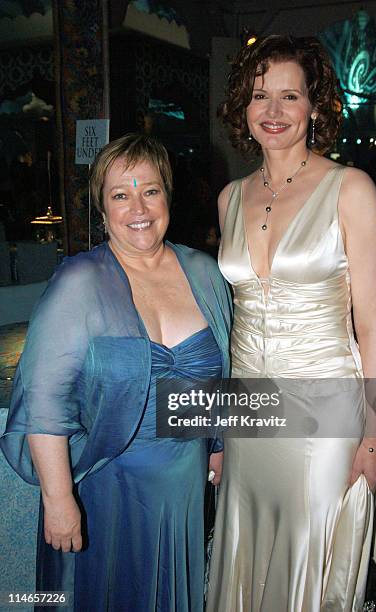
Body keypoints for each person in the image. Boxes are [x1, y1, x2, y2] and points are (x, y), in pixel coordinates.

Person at [0, 134, 231, 611]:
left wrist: (219, 445)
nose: (138, 207)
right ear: (102, 211)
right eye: (120, 195)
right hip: (108, 489)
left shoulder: (205, 271)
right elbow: (44, 400)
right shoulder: (79, 281)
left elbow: (223, 369)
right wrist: (60, 500)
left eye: (150, 190)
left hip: (184, 485)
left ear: (168, 196)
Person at [206, 35, 376, 611]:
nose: (273, 111)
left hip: (325, 416)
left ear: (315, 107)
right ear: (243, 106)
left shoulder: (350, 188)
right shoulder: (229, 199)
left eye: (290, 96)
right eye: (260, 95)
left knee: (313, 570)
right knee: (248, 554)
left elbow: (375, 328)